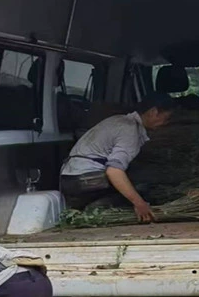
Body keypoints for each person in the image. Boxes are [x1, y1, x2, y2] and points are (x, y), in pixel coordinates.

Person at [59, 92, 177, 222]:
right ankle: (97, 208)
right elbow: (114, 171)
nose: (166, 123)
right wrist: (139, 203)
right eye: (166, 118)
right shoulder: (130, 131)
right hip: (86, 180)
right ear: (153, 112)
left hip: (70, 177)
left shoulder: (118, 120)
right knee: (142, 187)